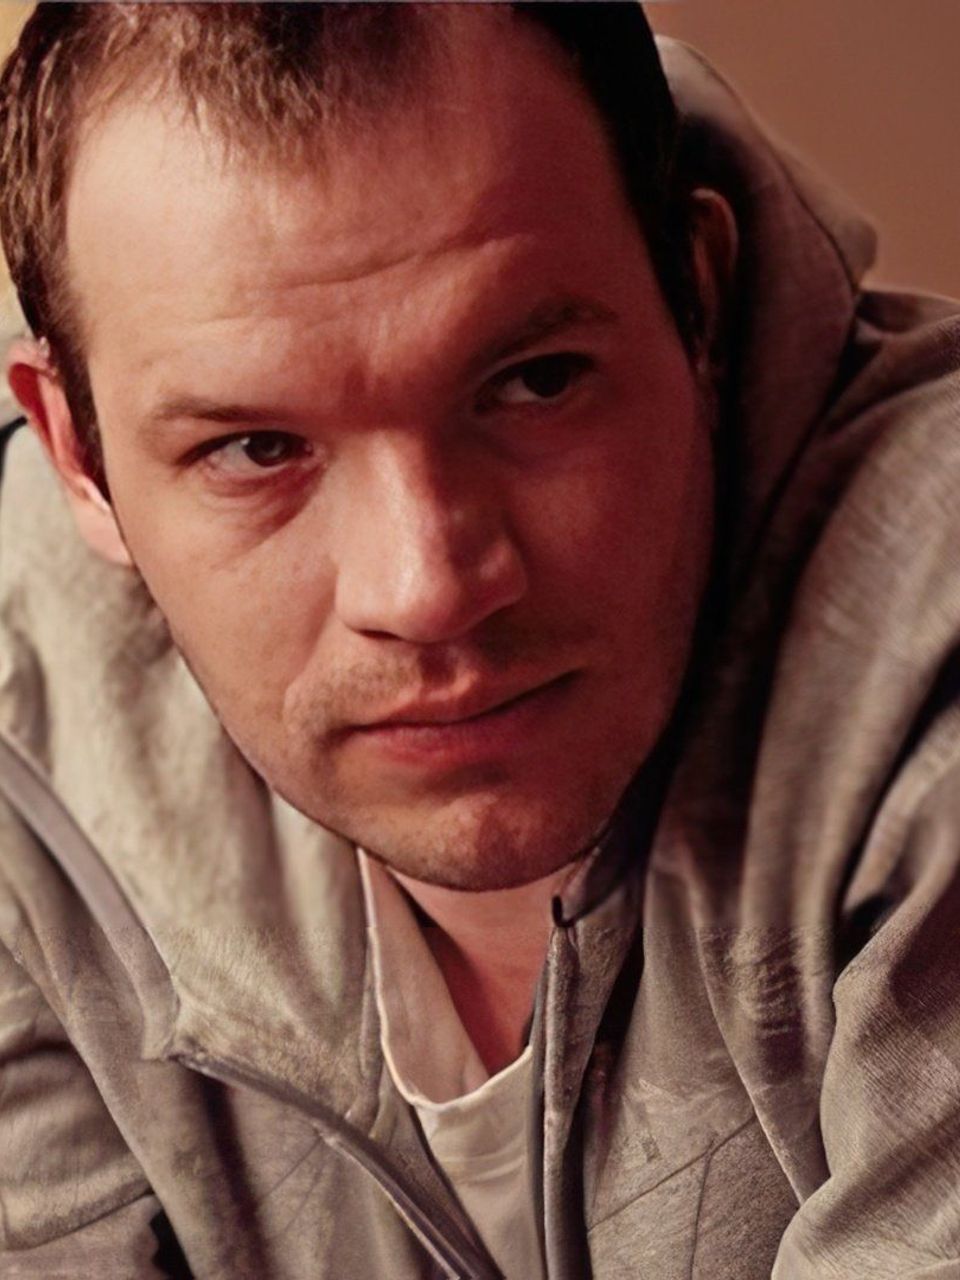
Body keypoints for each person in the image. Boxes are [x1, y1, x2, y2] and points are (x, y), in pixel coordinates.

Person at [0, 3, 958, 1276]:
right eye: (256, 448)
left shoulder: (933, 649)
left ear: (700, 298)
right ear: (77, 454)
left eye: (536, 380)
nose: (430, 586)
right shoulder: (20, 724)